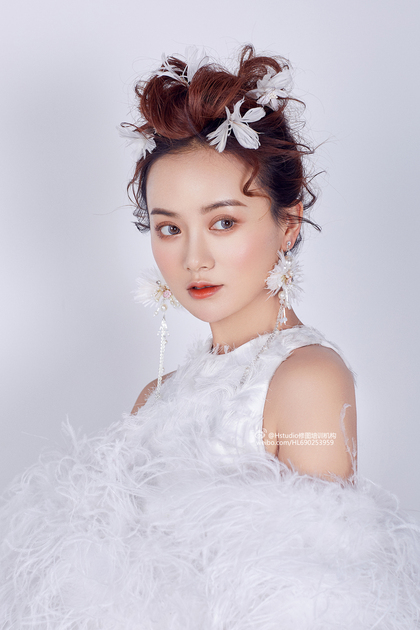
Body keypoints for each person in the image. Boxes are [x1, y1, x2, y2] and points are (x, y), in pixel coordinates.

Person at [0, 45, 419, 629]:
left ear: (289, 224)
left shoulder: (307, 379)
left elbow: (323, 602)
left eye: (223, 222)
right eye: (170, 228)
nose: (194, 257)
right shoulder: (155, 397)